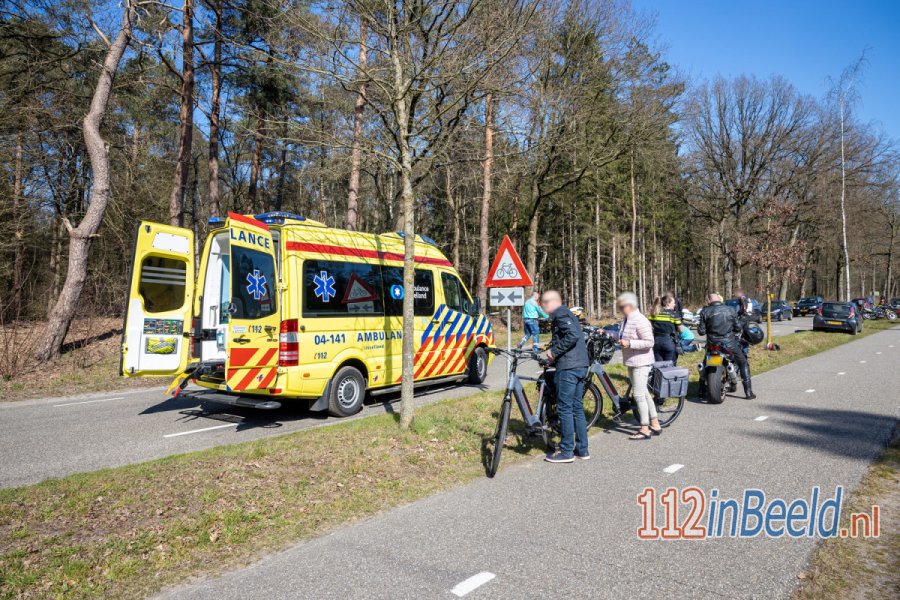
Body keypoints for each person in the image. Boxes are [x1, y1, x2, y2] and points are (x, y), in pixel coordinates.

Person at [541, 290, 590, 463]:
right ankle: (582, 449)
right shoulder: (567, 313)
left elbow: (572, 335)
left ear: (553, 302)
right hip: (580, 365)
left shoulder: (561, 313)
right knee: (576, 407)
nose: (543, 305)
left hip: (569, 368)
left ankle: (567, 451)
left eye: (545, 302)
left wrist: (554, 352)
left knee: (565, 408)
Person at [616, 292, 660, 440]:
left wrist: (630, 343)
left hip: (641, 362)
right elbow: (622, 335)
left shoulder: (640, 320)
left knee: (638, 395)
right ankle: (655, 423)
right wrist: (608, 333)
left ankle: (644, 428)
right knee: (645, 394)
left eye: (621, 306)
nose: (619, 309)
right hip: (632, 361)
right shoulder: (627, 320)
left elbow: (649, 342)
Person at [698, 292, 756, 399]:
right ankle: (748, 392)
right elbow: (738, 327)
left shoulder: (704, 311)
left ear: (709, 301)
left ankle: (701, 391)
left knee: (705, 363)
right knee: (743, 362)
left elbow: (701, 331)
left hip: (712, 344)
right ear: (719, 299)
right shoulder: (730, 310)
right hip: (729, 343)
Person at [648, 293, 684, 364]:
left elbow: (649, 327)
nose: (675, 305)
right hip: (669, 342)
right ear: (668, 304)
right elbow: (681, 330)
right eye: (673, 303)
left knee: (658, 366)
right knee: (670, 366)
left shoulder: (654, 314)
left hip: (656, 342)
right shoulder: (674, 315)